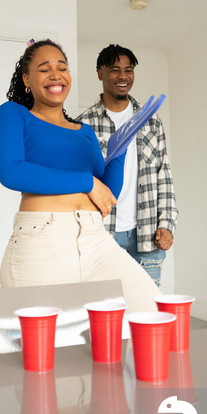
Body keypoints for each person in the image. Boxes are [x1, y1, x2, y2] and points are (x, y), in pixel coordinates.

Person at [0, 39, 160, 313]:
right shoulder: (14, 114)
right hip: (42, 242)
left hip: (96, 239)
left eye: (62, 67)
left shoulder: (84, 132)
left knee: (152, 313)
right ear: (26, 79)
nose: (56, 74)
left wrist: (119, 148)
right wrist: (86, 182)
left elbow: (106, 196)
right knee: (46, 349)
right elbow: (11, 171)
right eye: (44, 69)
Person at [77, 44, 178, 287]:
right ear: (100, 73)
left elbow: (163, 174)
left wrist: (167, 224)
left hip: (147, 236)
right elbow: (80, 184)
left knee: (145, 312)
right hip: (102, 236)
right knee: (107, 312)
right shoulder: (83, 125)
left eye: (129, 70)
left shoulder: (151, 120)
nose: (123, 76)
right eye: (115, 70)